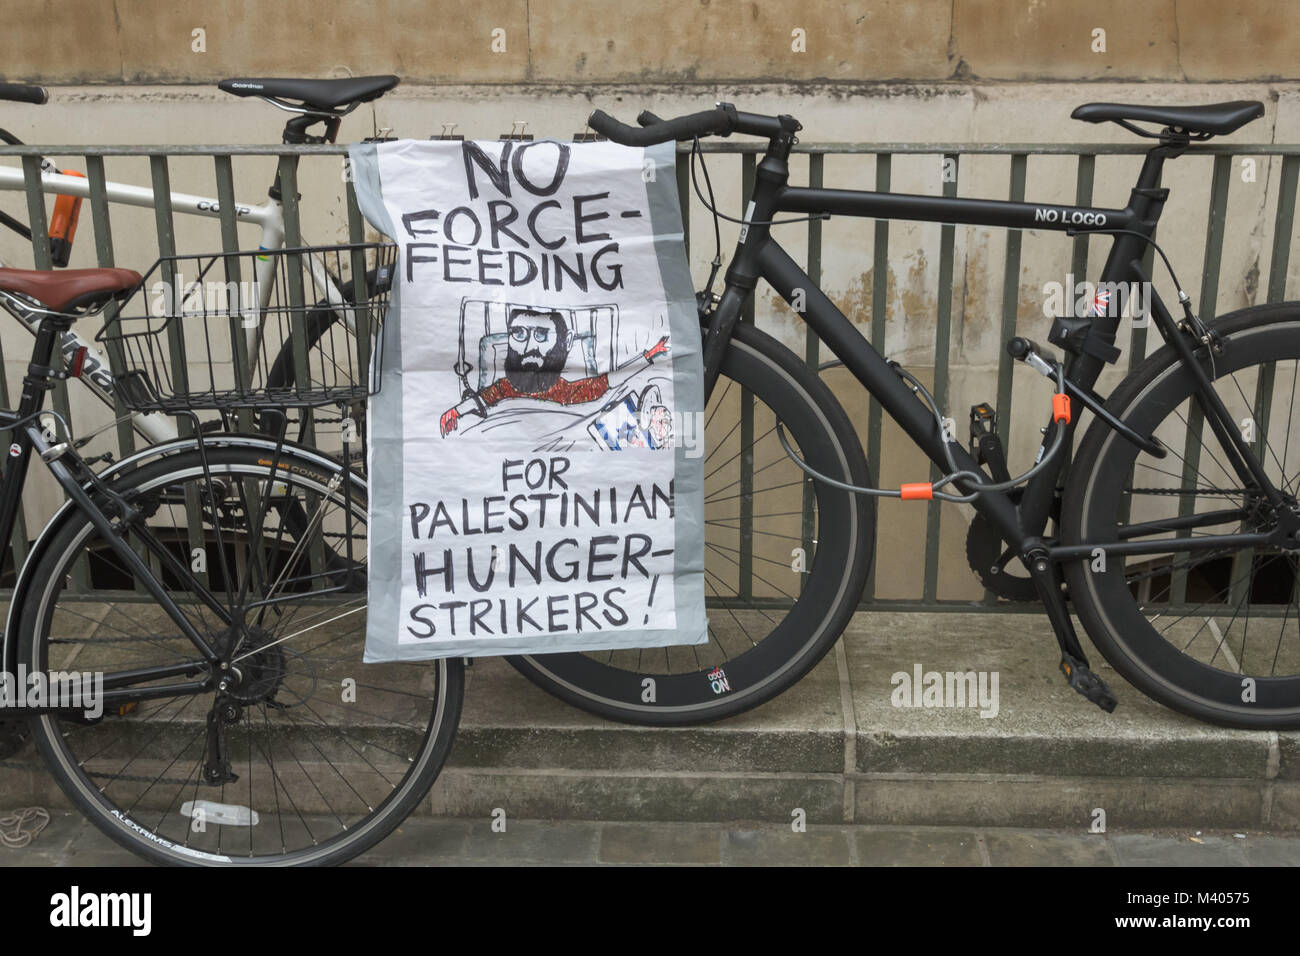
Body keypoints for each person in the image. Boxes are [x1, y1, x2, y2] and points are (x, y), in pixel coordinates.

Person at [439, 306, 669, 437]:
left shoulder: (567, 393)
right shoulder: (504, 388)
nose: (529, 348)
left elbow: (606, 384)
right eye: (519, 334)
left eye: (541, 335)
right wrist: (455, 413)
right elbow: (481, 401)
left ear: (564, 343)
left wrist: (647, 357)